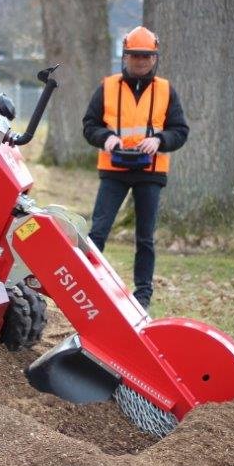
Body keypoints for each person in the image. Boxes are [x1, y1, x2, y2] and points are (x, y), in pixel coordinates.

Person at [82, 26, 189, 311]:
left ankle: (143, 296)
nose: (140, 61)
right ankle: (88, 285)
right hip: (113, 170)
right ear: (125, 56)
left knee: (145, 237)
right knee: (98, 231)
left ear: (155, 58)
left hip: (150, 173)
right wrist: (107, 138)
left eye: (146, 56)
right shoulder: (107, 86)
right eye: (134, 56)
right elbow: (89, 126)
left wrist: (159, 140)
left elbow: (180, 131)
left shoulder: (166, 91)